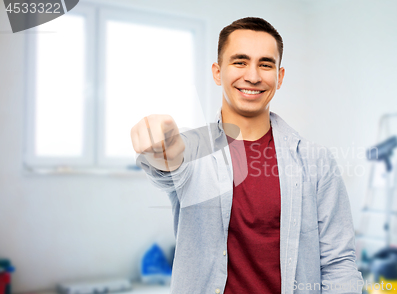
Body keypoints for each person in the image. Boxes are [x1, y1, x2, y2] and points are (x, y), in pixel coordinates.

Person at [130, 17, 363, 294]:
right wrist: (161, 149)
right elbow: (168, 169)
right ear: (217, 72)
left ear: (280, 76)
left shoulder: (316, 160)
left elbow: (339, 262)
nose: (253, 76)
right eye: (240, 62)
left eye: (265, 64)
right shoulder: (192, 150)